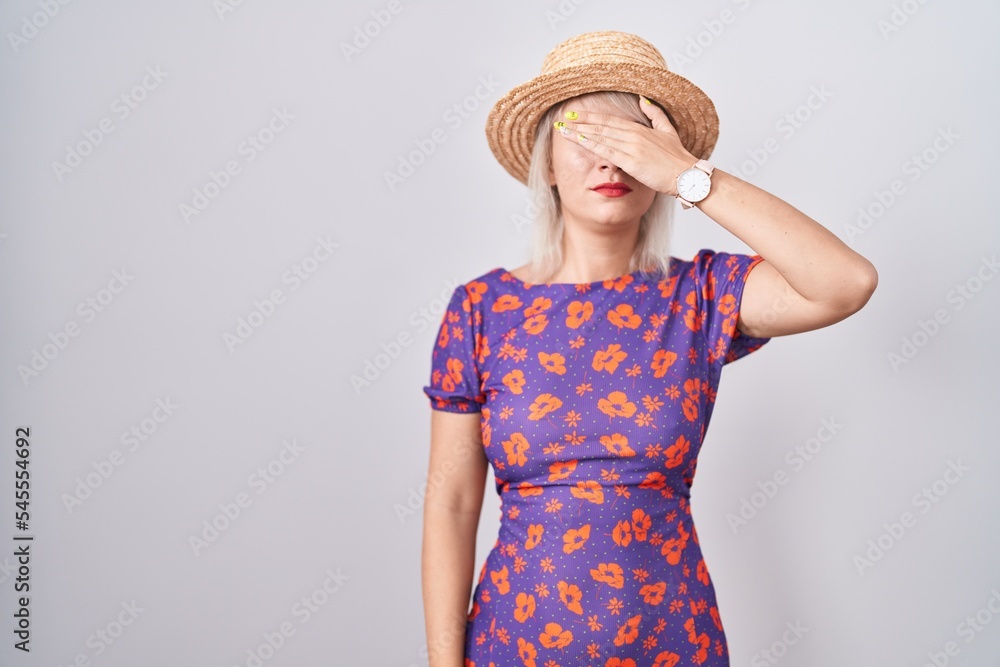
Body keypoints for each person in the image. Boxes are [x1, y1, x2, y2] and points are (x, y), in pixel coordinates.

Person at [420, 31, 877, 667]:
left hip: (669, 640)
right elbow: (451, 501)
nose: (611, 161)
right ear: (546, 163)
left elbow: (845, 283)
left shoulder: (700, 295)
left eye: (633, 141)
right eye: (585, 136)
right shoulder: (481, 310)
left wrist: (690, 177)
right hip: (512, 643)